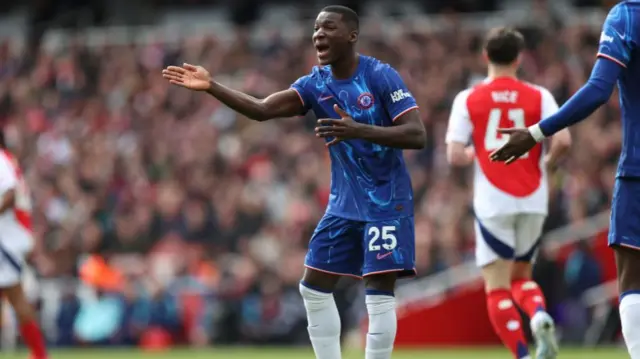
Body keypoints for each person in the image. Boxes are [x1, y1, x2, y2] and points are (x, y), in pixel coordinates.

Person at [162, 5, 426, 359]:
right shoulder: (315, 84)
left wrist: (358, 129)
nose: (318, 34)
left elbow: (416, 134)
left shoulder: (380, 75)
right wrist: (212, 87)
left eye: (328, 27)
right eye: (316, 29)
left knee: (377, 290)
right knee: (313, 288)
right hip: (344, 206)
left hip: (385, 202)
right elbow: (261, 108)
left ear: (351, 35)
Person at [488, 2, 640, 358]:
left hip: (637, 173)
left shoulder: (628, 15)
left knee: (633, 282)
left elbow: (598, 90)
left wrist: (537, 132)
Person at [446, 27, 571, 359]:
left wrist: (475, 154)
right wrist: (545, 165)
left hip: (492, 201)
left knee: (497, 286)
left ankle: (522, 354)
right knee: (522, 277)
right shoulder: (540, 95)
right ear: (519, 58)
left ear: (485, 56)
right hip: (533, 197)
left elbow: (454, 154)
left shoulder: (468, 98)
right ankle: (540, 315)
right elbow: (564, 141)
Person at [0, 130, 48, 359]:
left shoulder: (0, 158)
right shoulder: (6, 158)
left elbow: (9, 194)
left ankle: (39, 353)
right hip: (9, 237)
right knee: (13, 295)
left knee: (16, 296)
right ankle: (38, 353)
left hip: (5, 239)